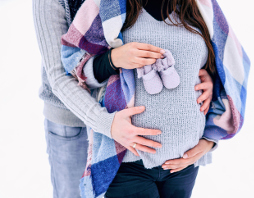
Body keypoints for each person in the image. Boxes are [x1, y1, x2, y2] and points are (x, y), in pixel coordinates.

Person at [32, 0, 215, 197]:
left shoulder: (193, 6)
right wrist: (112, 61)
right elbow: (61, 75)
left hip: (173, 155)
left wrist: (207, 78)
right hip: (74, 120)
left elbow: (221, 59)